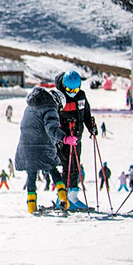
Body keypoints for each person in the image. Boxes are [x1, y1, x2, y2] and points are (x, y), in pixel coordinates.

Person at [14, 86, 73, 213]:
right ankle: (63, 198)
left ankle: (31, 205)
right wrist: (65, 138)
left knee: (31, 175)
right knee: (52, 169)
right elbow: (51, 129)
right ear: (57, 101)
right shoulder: (50, 107)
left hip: (25, 147)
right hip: (42, 147)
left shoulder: (29, 106)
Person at [55, 70, 96, 211]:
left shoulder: (81, 96)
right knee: (67, 165)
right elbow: (53, 118)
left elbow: (86, 114)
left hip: (77, 138)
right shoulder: (58, 97)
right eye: (69, 89)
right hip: (63, 139)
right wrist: (62, 130)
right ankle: (62, 197)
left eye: (75, 89)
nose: (72, 91)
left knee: (76, 165)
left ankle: (72, 195)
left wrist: (92, 128)